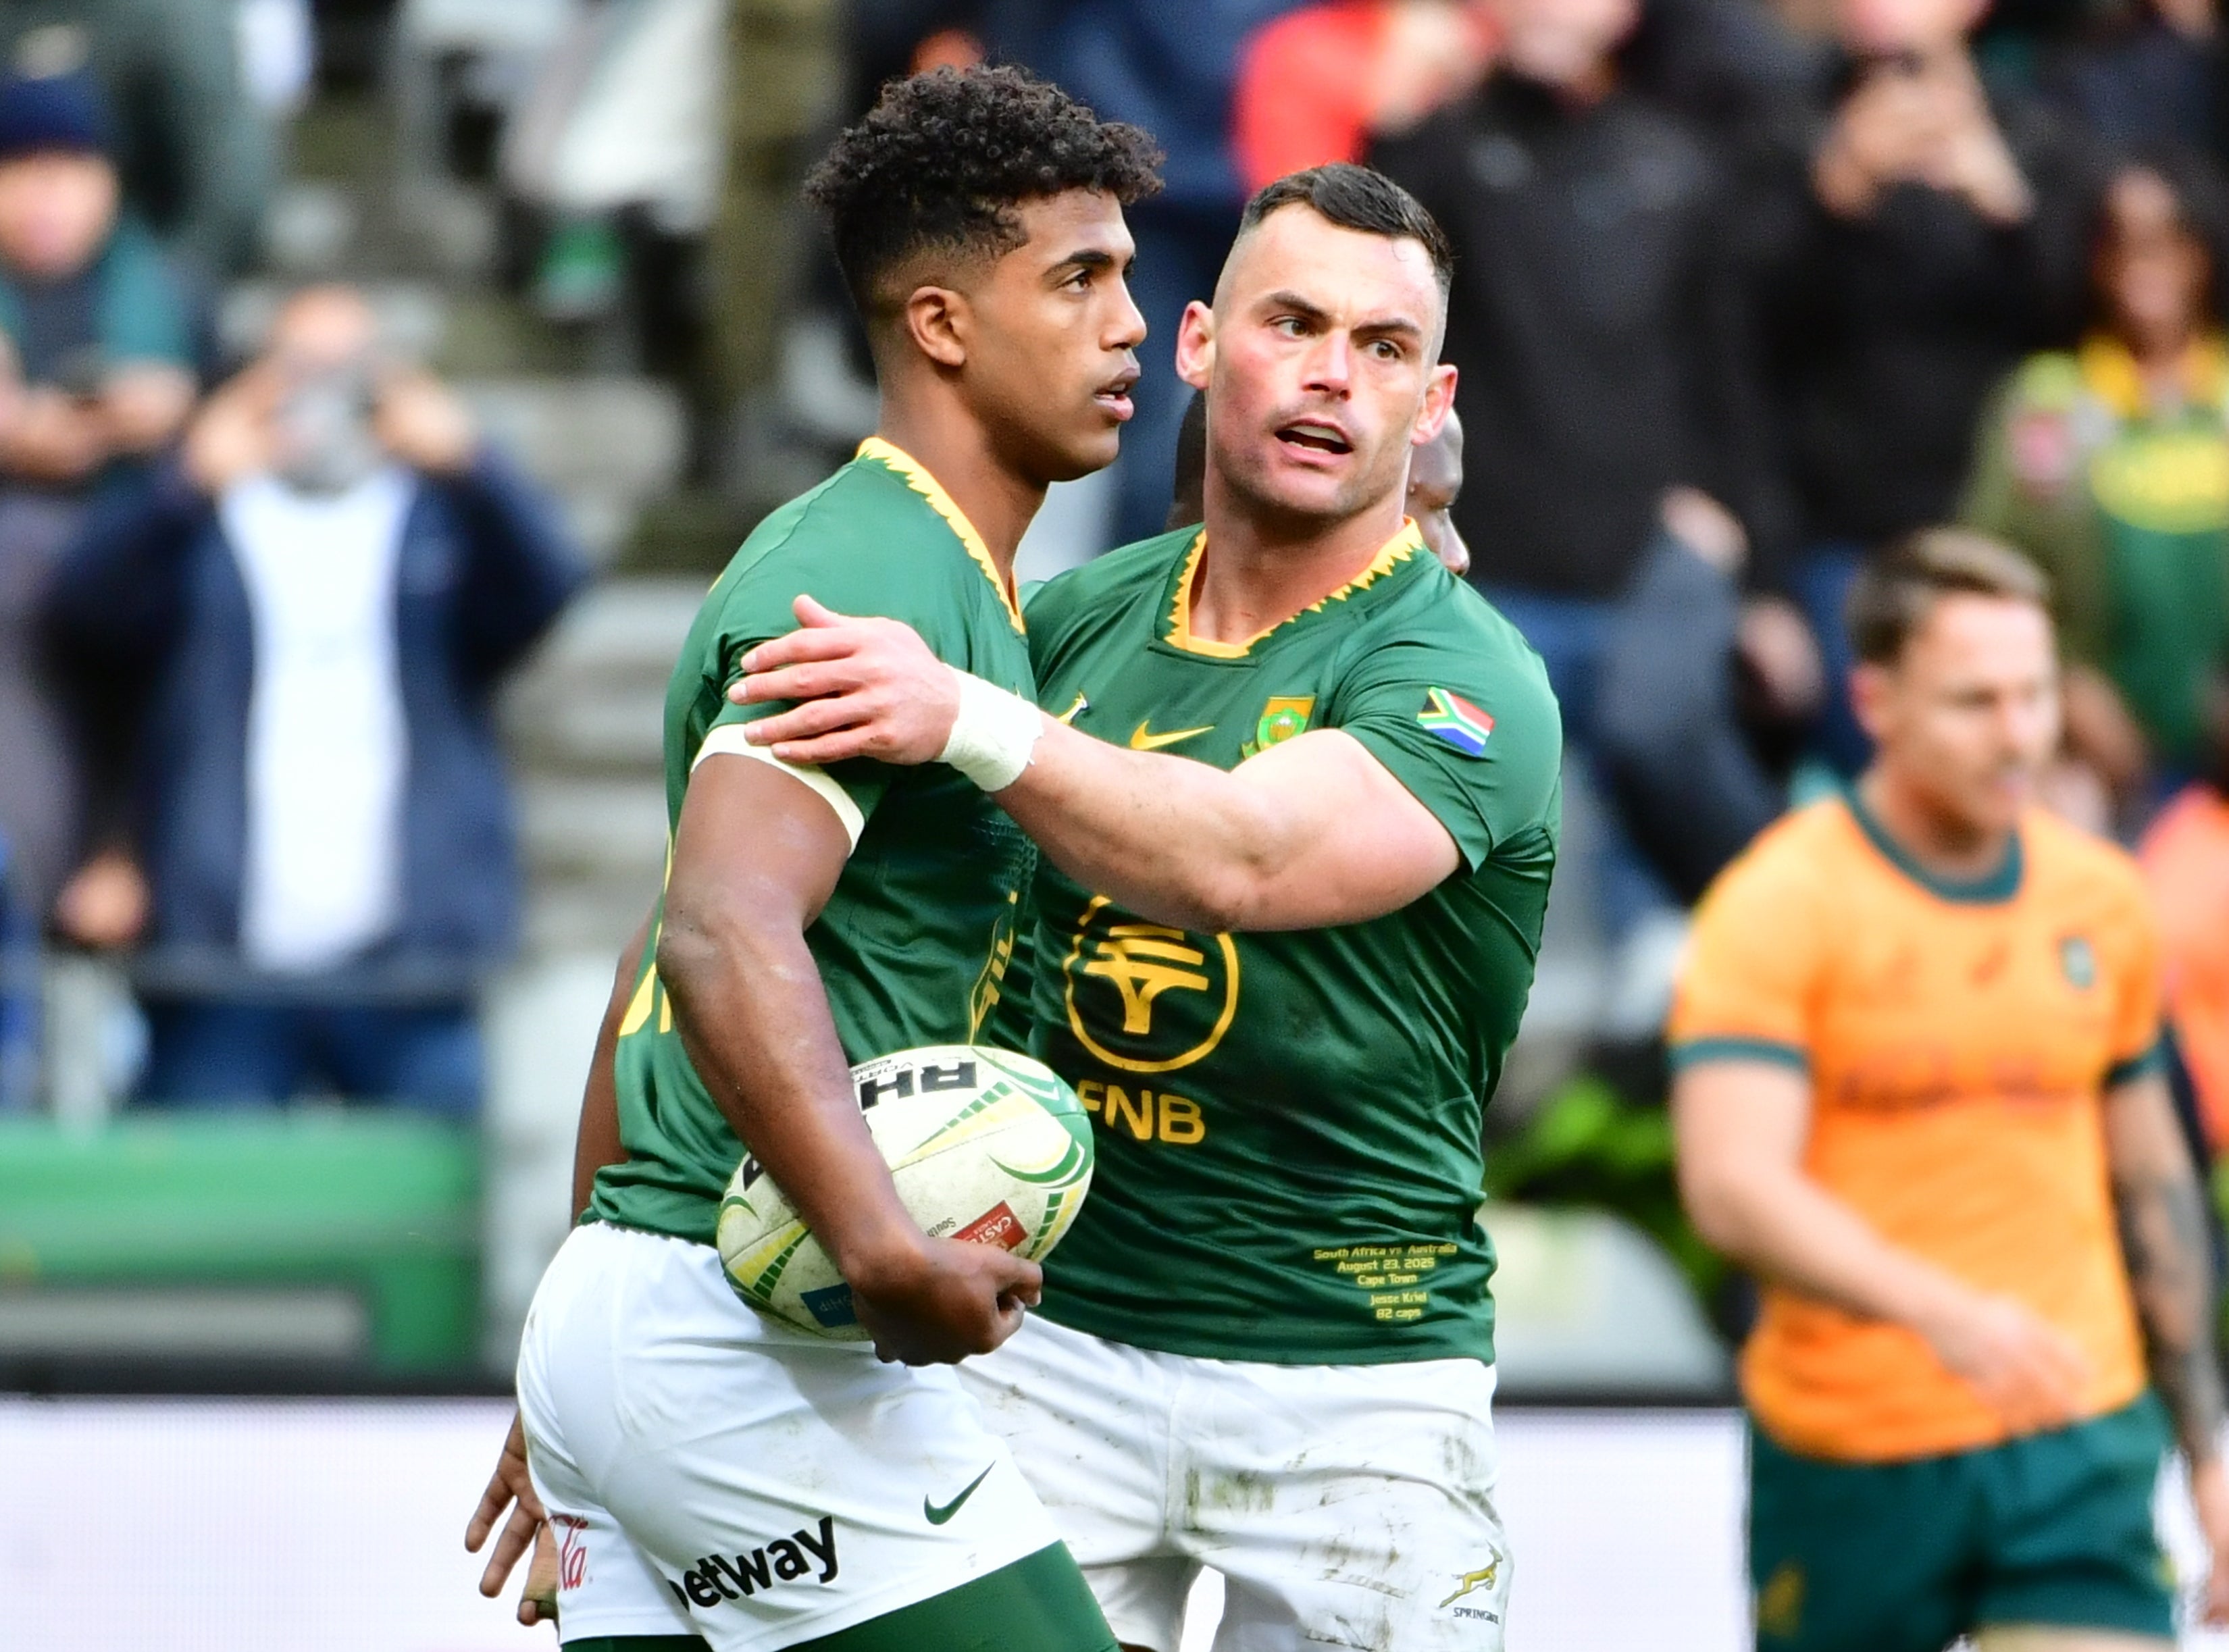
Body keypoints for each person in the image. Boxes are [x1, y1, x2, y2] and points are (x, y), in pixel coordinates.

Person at [728, 163, 1560, 1652]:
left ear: (1431, 400)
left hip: (1358, 1379)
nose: (1331, 375)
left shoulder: (1469, 674)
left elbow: (1246, 860)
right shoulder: (1068, 622)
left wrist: (968, 716)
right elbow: (769, 921)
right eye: (1292, 323)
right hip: (1043, 1344)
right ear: (1196, 342)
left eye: (1382, 348)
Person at [471, 66, 1159, 1651]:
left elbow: (653, 956)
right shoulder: (868, 569)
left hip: (650, 1309)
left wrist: (582, 1345)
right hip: (738, 1330)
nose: (1127, 322)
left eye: (1125, 274)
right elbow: (720, 933)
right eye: (1078, 278)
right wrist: (878, 1246)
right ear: (940, 323)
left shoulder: (931, 572)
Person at [1668, 529, 2229, 1650]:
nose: (2020, 735)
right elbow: (1732, 1187)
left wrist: (2208, 1458)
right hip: (1851, 1448)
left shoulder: (2101, 898)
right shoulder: (1781, 902)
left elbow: (2153, 1183)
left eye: (2036, 695)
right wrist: (1946, 1314)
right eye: (1977, 702)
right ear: (1874, 703)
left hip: (2075, 1433)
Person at [42, 285, 586, 1112]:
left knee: (429, 1185)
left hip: (412, 965)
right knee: (205, 1177)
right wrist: (184, 482)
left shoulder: (437, 518)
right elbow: (85, 611)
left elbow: (551, 584)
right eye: (299, 367)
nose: (325, 395)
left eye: (350, 370)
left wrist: (473, 463)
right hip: (220, 962)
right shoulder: (207, 514)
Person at [1370, 0, 1804, 910]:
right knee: (1451, 813)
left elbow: (1730, 372)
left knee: (1657, 735)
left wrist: (1759, 569)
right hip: (1484, 556)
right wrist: (1399, 118)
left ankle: (1799, 930)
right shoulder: (1446, 149)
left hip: (1645, 552)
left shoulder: (1678, 162)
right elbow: (1372, 288)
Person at [1752, 0, 2093, 773]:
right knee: (1888, 762)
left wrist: (2004, 204)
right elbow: (1746, 332)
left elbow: (2082, 330)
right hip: (1843, 532)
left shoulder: (2037, 131)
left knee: (1998, 752)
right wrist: (1838, 193)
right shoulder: (1789, 124)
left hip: (2006, 529)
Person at [1963, 154, 2229, 814]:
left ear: (2204, 251)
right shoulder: (2048, 401)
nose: (2145, 263)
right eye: (2122, 242)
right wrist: (2067, 686)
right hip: (2089, 753)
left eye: (2169, 239)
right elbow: (1987, 569)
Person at [0, 57, 191, 931]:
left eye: (70, 168)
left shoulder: (167, 297)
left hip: (139, 564)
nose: (47, 194)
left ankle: (124, 857)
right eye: (21, 168)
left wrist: (179, 415)